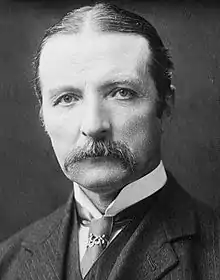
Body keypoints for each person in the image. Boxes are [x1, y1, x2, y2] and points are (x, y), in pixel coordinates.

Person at [0, 2, 219, 279]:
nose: (93, 126)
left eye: (121, 93)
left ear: (165, 105)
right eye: (67, 98)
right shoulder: (8, 262)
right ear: (43, 114)